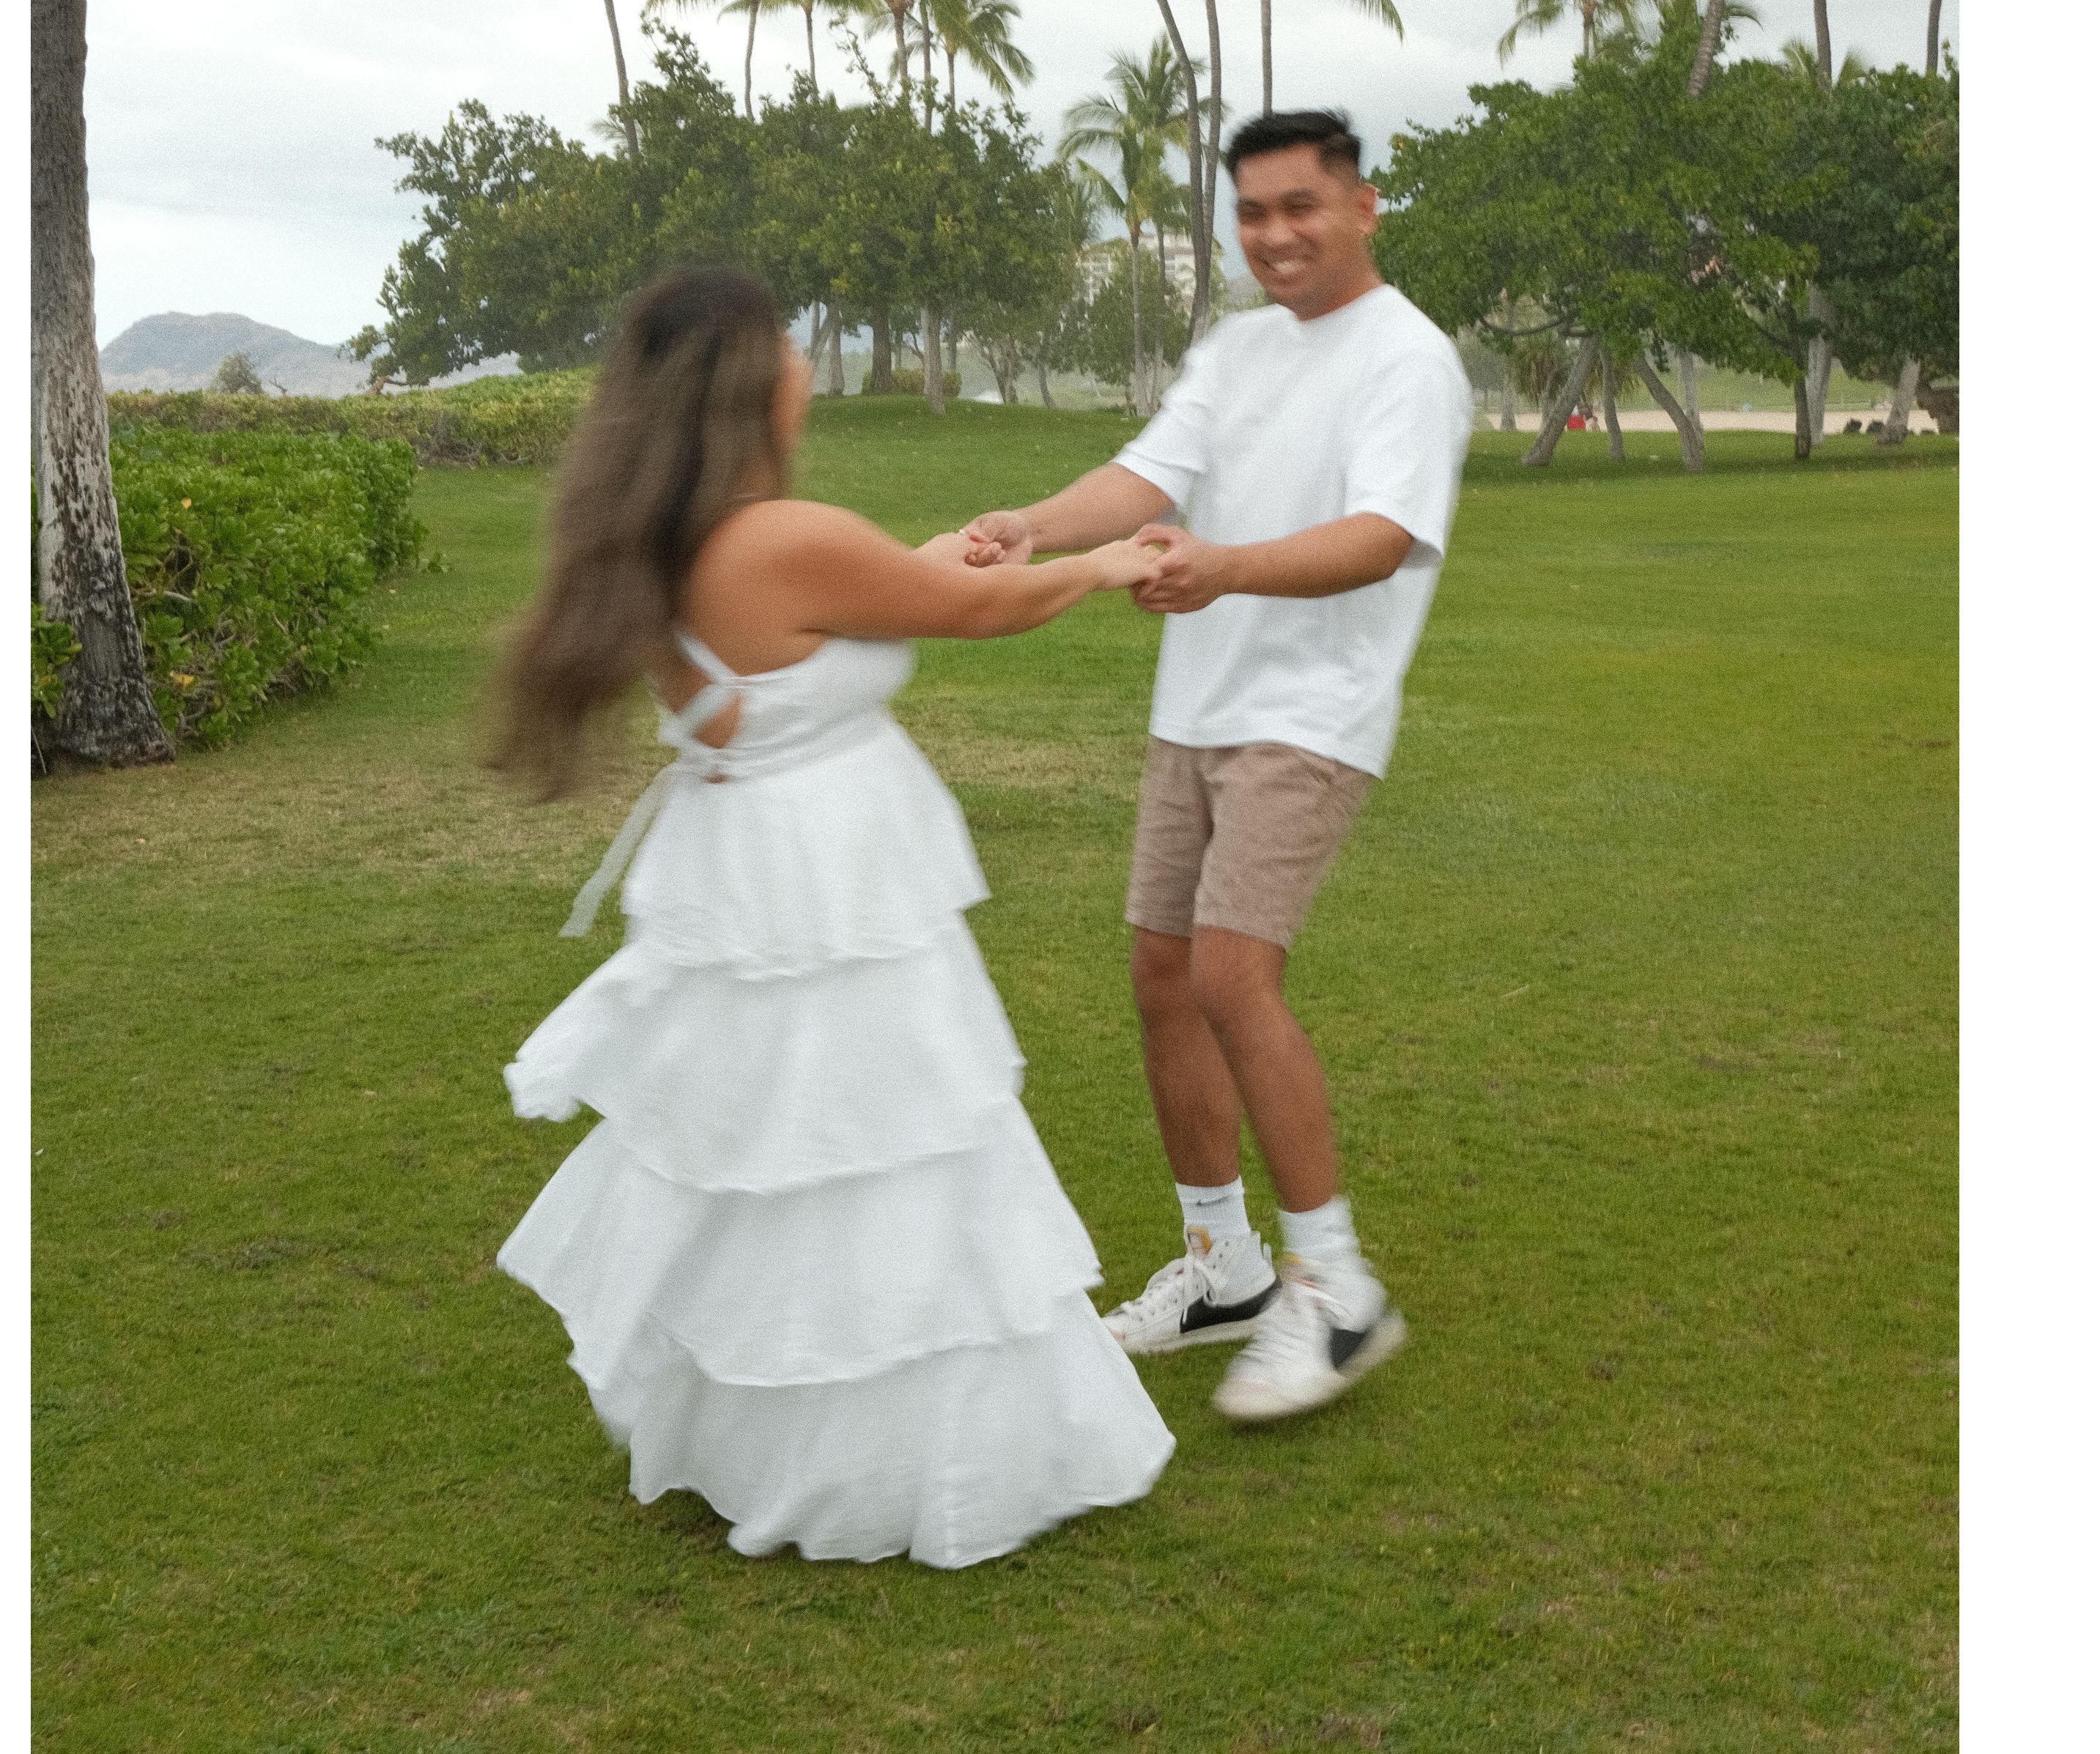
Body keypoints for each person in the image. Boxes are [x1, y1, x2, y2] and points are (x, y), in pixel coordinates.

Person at [489, 267, 1175, 1568]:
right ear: (752, 382)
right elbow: (968, 612)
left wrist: (940, 559)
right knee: (881, 1139)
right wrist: (1102, 563)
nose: (807, 364)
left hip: (758, 873)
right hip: (826, 887)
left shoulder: (676, 540)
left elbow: (859, 602)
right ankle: (897, 1453)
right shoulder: (781, 538)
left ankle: (779, 1437)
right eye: (791, 346)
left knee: (786, 1154)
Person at [961, 110, 1474, 1423]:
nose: (1275, 235)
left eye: (1301, 206)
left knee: (1233, 976)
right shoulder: (1238, 347)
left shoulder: (1407, 358)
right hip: (1198, 706)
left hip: (1311, 714)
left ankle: (1336, 1289)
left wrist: (1224, 566)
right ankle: (1225, 1267)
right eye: (1251, 212)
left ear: (1362, 205)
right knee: (1163, 978)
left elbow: (1382, 535)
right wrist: (1031, 524)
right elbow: (1149, 473)